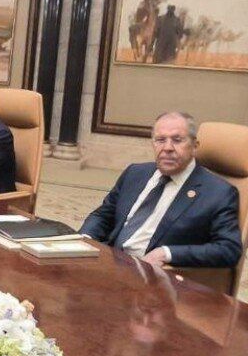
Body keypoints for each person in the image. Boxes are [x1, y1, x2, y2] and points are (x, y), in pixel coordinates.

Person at [80, 111, 241, 268]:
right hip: (108, 261)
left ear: (195, 146)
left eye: (177, 140)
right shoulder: (135, 173)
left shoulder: (218, 193)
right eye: (160, 140)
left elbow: (228, 249)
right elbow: (103, 215)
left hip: (152, 274)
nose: (168, 147)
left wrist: (167, 253)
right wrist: (85, 239)